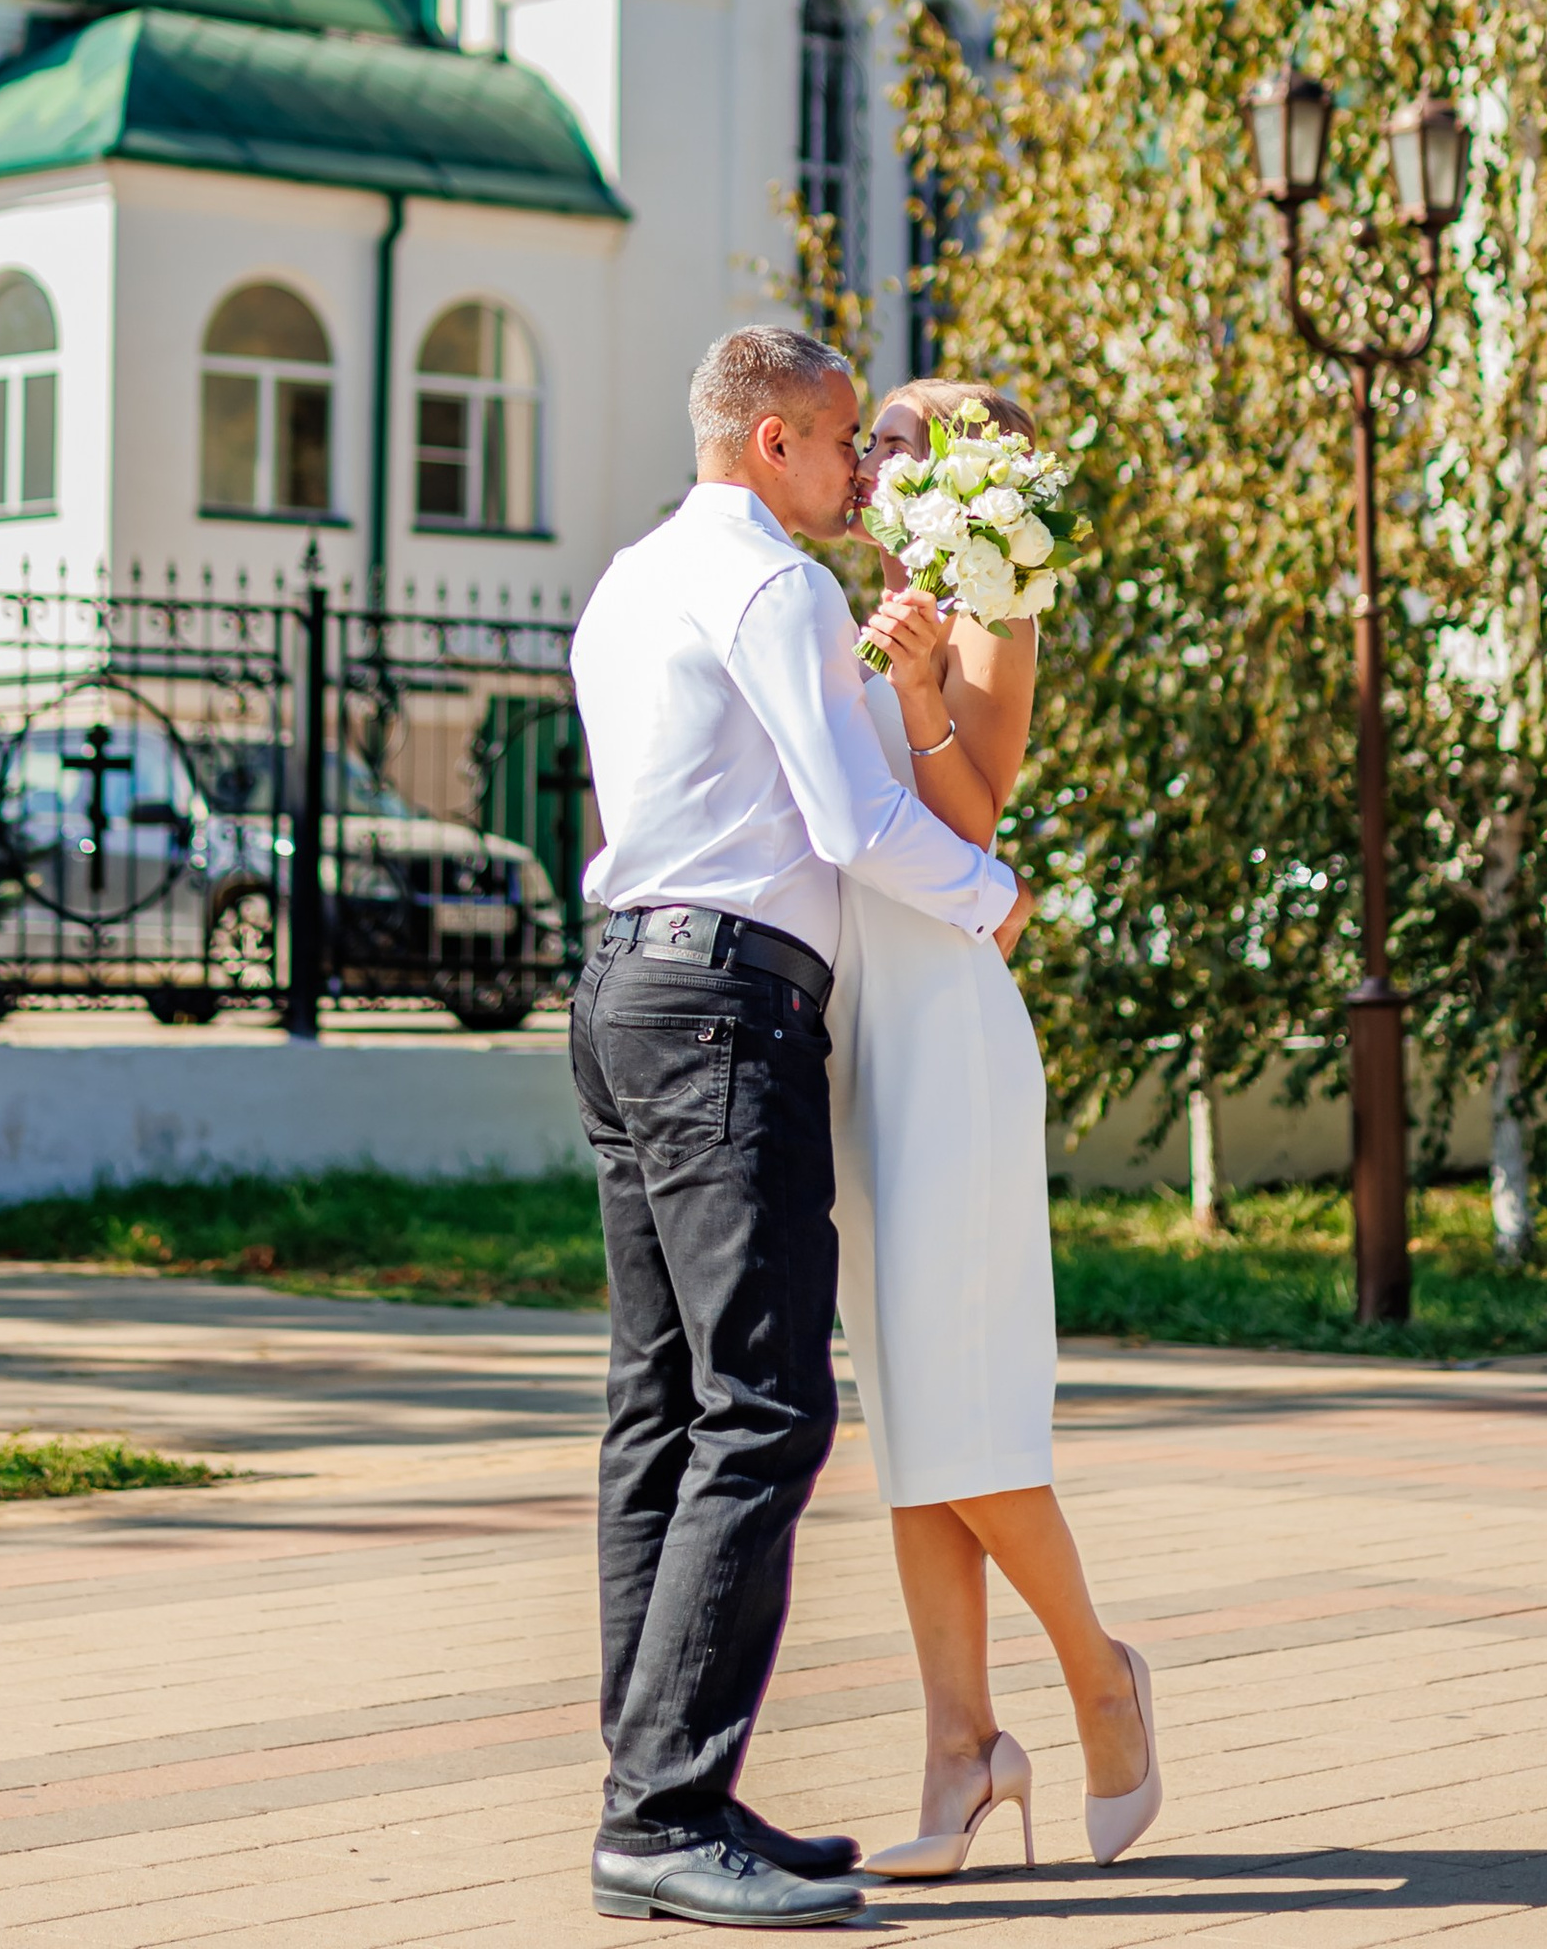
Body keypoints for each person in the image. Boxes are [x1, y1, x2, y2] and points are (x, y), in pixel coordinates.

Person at [566, 325, 1024, 1930]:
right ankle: (665, 1808)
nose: (857, 474)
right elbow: (848, 817)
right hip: (715, 1013)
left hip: (622, 991)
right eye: (839, 444)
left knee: (666, 1408)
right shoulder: (779, 586)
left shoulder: (628, 581)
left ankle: (656, 1796)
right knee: (766, 1408)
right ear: (771, 442)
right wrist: (991, 896)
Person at [834, 374, 1160, 1881]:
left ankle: (1100, 1673)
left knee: (964, 1409)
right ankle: (961, 1750)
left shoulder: (991, 608)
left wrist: (912, 696)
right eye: (876, 434)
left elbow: (973, 829)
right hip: (857, 1033)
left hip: (951, 1039)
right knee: (905, 1415)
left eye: (903, 436)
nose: (876, 453)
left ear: (970, 470)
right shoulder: (860, 600)